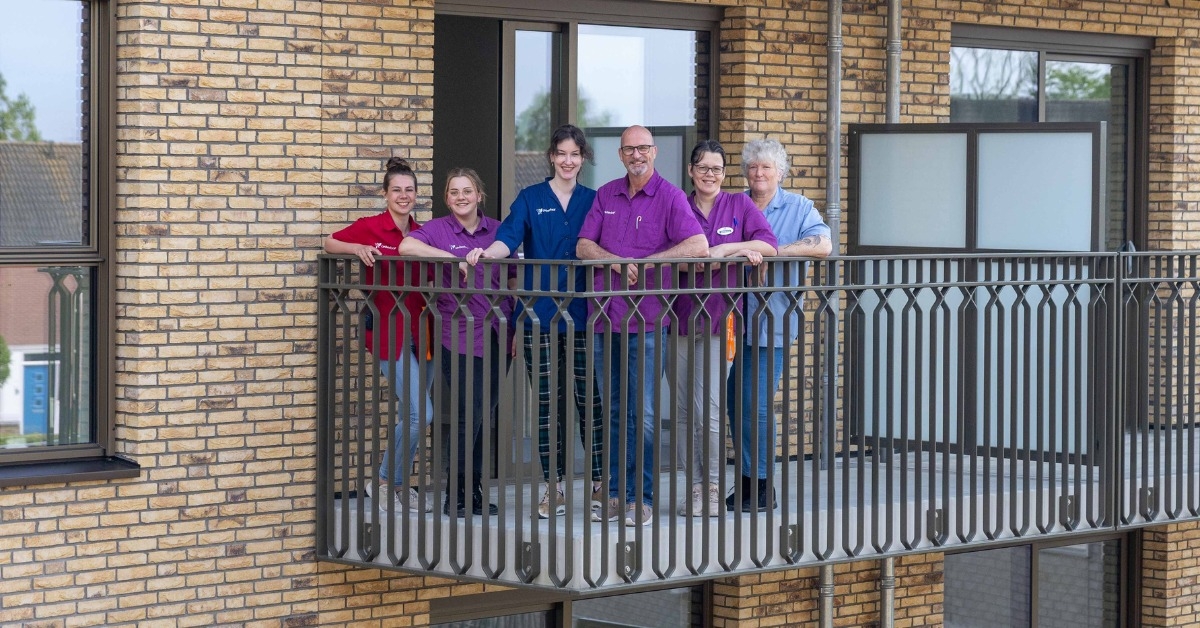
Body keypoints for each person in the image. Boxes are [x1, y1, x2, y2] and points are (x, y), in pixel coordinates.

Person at [467, 125, 605, 519]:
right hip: (538, 317)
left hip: (582, 316)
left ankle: (598, 486)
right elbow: (508, 237)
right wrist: (487, 253)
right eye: (561, 153)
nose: (567, 160)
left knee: (589, 401)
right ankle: (553, 487)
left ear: (583, 159)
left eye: (575, 154)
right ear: (551, 156)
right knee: (546, 403)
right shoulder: (530, 198)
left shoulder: (594, 201)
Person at [577, 125, 709, 527]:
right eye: (629, 149)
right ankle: (615, 495)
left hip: (649, 320)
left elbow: (697, 246)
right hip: (603, 320)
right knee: (613, 411)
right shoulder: (606, 194)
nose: (636, 155)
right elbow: (584, 246)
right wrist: (614, 261)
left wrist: (650, 263)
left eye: (643, 149)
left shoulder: (669, 196)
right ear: (620, 155)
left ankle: (641, 498)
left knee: (645, 414)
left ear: (654, 153)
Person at [398, 168, 515, 518]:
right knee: (468, 415)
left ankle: (475, 492)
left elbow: (511, 279)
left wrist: (514, 330)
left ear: (480, 195)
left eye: (467, 191)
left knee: (483, 415)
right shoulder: (438, 230)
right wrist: (454, 259)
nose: (461, 197)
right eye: (454, 192)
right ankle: (456, 494)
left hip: (498, 333)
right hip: (458, 335)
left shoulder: (497, 230)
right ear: (447, 199)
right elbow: (406, 245)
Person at [671, 140, 777, 517]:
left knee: (711, 407)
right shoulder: (676, 205)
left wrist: (724, 251)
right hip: (676, 319)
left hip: (720, 320)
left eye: (716, 169)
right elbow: (665, 261)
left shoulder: (739, 205)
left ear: (724, 173)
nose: (710, 175)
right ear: (691, 171)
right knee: (682, 409)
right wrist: (705, 262)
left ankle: (713, 487)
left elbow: (769, 244)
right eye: (703, 168)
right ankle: (694, 486)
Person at [323, 157, 434, 513]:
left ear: (416, 195)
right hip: (388, 332)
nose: (403, 196)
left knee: (414, 414)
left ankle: (398, 487)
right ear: (385, 194)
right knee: (422, 413)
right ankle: (386, 481)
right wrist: (356, 248)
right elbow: (329, 242)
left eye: (409, 190)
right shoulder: (371, 226)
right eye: (396, 190)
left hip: (422, 332)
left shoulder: (421, 233)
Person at [728, 138, 832, 512]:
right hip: (730, 317)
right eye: (753, 167)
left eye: (766, 168)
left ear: (780, 173)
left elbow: (824, 246)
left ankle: (762, 486)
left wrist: (773, 251)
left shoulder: (798, 206)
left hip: (772, 317)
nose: (759, 174)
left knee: (754, 404)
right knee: (733, 401)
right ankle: (744, 481)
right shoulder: (735, 204)